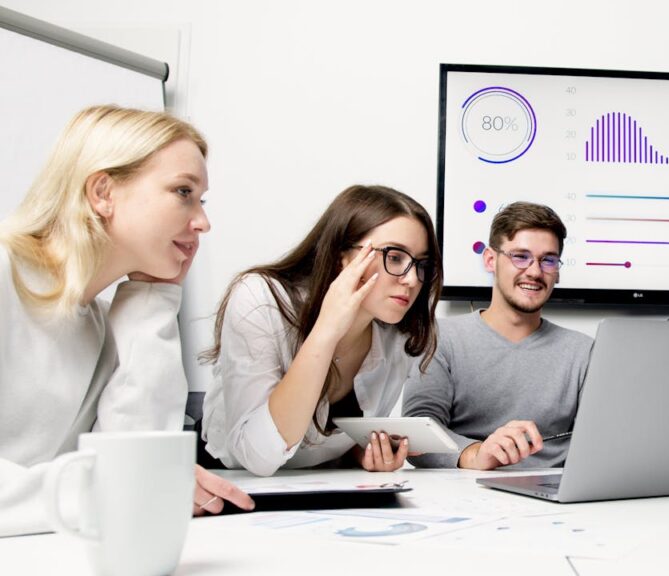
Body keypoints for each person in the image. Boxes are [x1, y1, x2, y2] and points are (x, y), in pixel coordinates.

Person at [0, 105, 252, 538]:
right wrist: (121, 488)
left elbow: (136, 459)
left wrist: (153, 296)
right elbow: (129, 486)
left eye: (201, 199)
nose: (203, 222)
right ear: (103, 192)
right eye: (182, 192)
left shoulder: (100, 321)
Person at [199, 185, 442, 476]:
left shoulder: (397, 338)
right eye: (394, 257)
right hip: (232, 482)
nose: (413, 279)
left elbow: (327, 441)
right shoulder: (260, 299)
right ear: (343, 256)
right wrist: (327, 331)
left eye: (421, 264)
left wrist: (361, 451)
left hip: (321, 488)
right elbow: (258, 456)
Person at [403, 202, 593, 470]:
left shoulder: (584, 352)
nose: (535, 271)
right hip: (467, 491)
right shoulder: (440, 338)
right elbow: (418, 432)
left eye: (548, 260)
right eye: (520, 256)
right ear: (490, 260)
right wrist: (476, 454)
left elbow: (600, 439)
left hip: (556, 494)